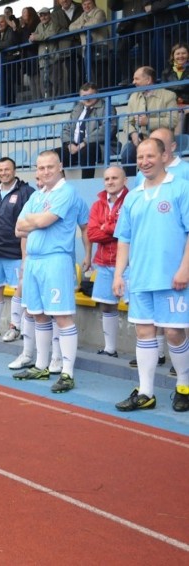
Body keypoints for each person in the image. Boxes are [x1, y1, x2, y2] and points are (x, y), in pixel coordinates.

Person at [113, 137, 189, 412]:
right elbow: (124, 239)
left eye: (150, 156)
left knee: (174, 333)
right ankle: (146, 392)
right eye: (140, 157)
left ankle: (184, 385)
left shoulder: (181, 188)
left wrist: (184, 268)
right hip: (141, 277)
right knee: (144, 332)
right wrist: (119, 275)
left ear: (165, 156)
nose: (144, 161)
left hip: (173, 278)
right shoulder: (133, 196)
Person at [12, 150, 90, 394]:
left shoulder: (66, 192)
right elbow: (18, 228)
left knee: (62, 316)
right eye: (40, 167)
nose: (45, 171)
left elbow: (43, 222)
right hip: (34, 261)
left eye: (49, 167)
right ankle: (41, 365)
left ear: (60, 167)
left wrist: (34, 222)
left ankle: (67, 372)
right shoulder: (37, 195)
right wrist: (36, 221)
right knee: (39, 315)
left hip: (56, 260)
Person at [0, 157, 36, 342]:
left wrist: (25, 253)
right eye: (0, 170)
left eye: (7, 169)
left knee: (19, 290)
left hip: (15, 252)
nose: (3, 173)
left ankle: (18, 327)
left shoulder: (26, 192)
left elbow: (31, 222)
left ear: (14, 171)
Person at [86, 167, 128, 358]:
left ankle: (155, 352)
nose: (110, 182)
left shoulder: (131, 200)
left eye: (114, 178)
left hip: (128, 264)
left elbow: (129, 232)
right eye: (107, 178)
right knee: (106, 305)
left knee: (139, 308)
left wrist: (107, 227)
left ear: (124, 179)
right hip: (103, 262)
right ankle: (110, 349)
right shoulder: (97, 205)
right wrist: (115, 229)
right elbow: (92, 234)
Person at [120, 66, 181, 177]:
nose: (134, 82)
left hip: (162, 140)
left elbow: (173, 121)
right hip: (141, 139)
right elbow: (127, 122)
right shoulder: (133, 97)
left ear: (148, 80)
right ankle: (134, 184)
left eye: (137, 79)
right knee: (127, 154)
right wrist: (133, 134)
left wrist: (148, 121)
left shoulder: (168, 95)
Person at [54, 83, 118, 179]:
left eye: (90, 96)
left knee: (86, 150)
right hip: (75, 147)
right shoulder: (77, 109)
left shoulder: (107, 107)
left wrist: (84, 143)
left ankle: (87, 182)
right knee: (54, 155)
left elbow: (108, 128)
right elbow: (65, 129)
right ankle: (61, 184)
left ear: (97, 94)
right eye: (84, 96)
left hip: (99, 147)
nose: (87, 99)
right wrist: (69, 143)